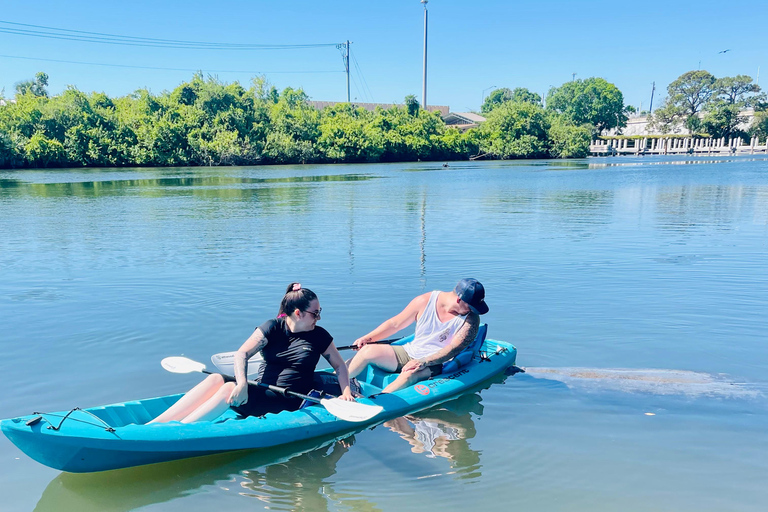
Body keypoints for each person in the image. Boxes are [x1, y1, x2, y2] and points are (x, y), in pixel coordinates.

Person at [150, 283, 354, 423]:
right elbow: (242, 354)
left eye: (320, 312)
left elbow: (339, 366)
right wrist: (242, 384)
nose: (318, 317)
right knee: (216, 379)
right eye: (315, 313)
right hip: (260, 388)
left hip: (286, 399)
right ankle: (156, 425)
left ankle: (182, 430)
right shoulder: (272, 327)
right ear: (298, 313)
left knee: (226, 389)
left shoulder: (320, 336)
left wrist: (346, 393)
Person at [347, 278, 488, 394]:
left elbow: (453, 349)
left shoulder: (471, 320)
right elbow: (395, 324)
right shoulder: (425, 301)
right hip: (410, 351)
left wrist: (423, 361)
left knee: (409, 374)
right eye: (471, 307)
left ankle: (377, 401)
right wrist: (368, 338)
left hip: (437, 361)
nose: (473, 311)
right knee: (367, 351)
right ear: (459, 300)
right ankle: (335, 382)